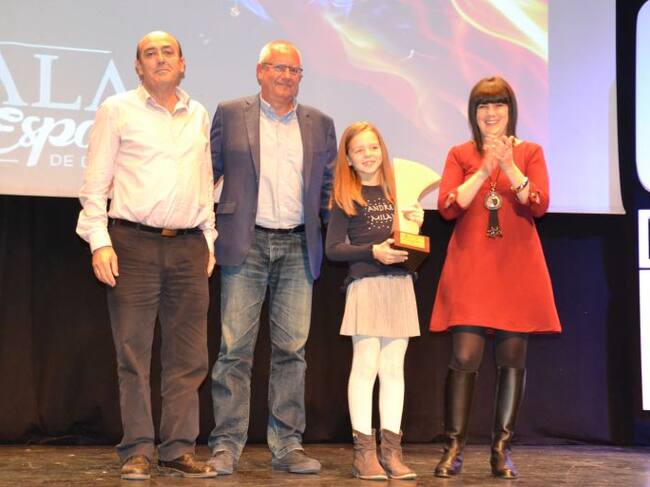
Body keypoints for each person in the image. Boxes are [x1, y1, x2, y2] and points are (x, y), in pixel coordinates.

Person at [76, 31, 217, 481]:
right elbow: (95, 183)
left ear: (182, 63)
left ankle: (178, 449)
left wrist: (209, 237)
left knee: (189, 358)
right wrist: (99, 240)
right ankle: (137, 449)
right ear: (138, 67)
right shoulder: (117, 110)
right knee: (133, 354)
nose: (160, 59)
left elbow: (205, 180)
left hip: (189, 246)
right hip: (133, 244)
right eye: (150, 54)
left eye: (167, 52)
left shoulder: (198, 114)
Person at [207, 40, 337, 475]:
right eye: (277, 68)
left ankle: (287, 446)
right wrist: (201, 233)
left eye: (294, 70)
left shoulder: (320, 123)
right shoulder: (230, 113)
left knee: (292, 351)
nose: (286, 76)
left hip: (299, 246)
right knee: (234, 351)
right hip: (246, 243)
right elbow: (206, 174)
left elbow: (328, 190)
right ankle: (226, 445)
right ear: (260, 71)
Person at [429, 76, 561, 479]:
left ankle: (501, 449)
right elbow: (448, 206)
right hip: (471, 265)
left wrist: (508, 165)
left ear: (510, 110)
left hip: (516, 267)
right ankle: (453, 447)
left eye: (498, 105)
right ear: (474, 113)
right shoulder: (459, 154)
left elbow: (537, 204)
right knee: (464, 356)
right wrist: (483, 168)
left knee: (512, 358)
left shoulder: (531, 152)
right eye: (483, 106)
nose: (491, 113)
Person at [325, 121, 422, 480]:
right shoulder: (345, 197)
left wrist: (415, 227)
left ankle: (392, 453)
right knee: (365, 365)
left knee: (393, 369)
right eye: (359, 150)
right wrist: (372, 252)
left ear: (382, 150)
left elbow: (408, 244)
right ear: (348, 158)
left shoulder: (397, 193)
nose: (368, 155)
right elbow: (333, 249)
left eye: (373, 147)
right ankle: (364, 454)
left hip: (400, 286)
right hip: (365, 286)